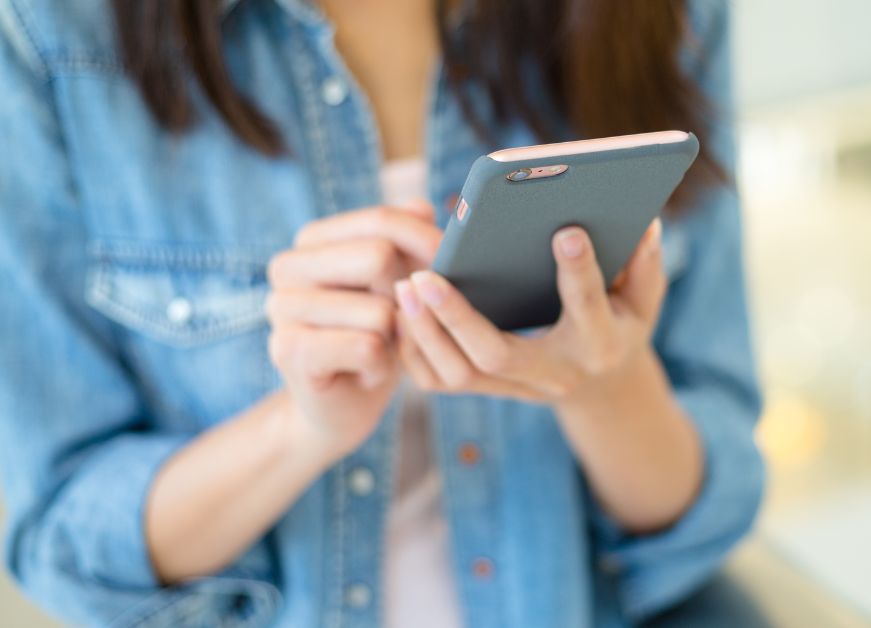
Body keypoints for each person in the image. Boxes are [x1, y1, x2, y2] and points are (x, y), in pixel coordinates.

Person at [0, 0, 763, 627]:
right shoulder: (52, 35)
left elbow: (706, 517)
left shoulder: (658, 16)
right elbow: (65, 548)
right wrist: (301, 431)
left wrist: (605, 388)